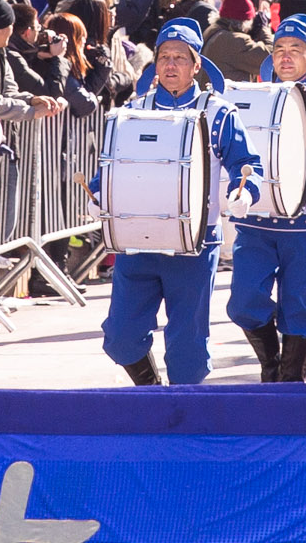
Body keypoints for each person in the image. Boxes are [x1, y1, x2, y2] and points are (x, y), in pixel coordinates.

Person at [93, 21, 257, 386]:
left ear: (196, 65)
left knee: (187, 351)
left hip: (195, 244)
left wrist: (244, 191)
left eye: (180, 58)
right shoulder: (132, 110)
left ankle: (182, 411)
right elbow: (111, 164)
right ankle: (153, 391)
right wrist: (99, 193)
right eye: (164, 56)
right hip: (138, 240)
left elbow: (248, 164)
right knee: (120, 337)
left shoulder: (219, 113)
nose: (170, 64)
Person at [225, 21, 306, 383]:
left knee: (299, 308)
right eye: (279, 49)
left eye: (296, 50)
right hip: (257, 221)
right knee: (244, 301)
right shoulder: (252, 99)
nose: (286, 56)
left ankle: (291, 379)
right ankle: (271, 365)